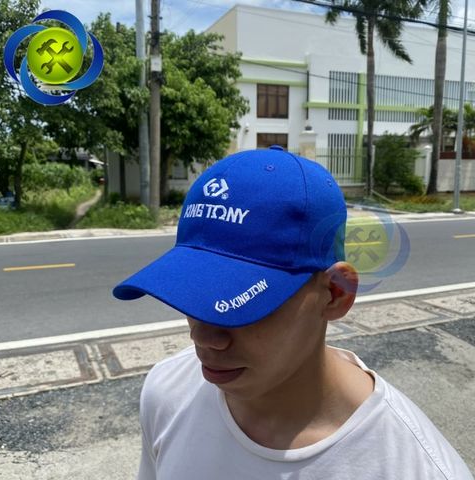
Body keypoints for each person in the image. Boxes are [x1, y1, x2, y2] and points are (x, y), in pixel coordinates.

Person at [113, 146, 473, 479]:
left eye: (242, 307)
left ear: (335, 294)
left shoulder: (411, 466)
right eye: (192, 295)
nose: (203, 338)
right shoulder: (167, 390)